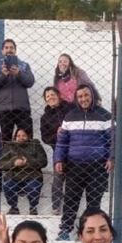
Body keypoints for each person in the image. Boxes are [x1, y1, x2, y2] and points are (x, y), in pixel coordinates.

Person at [54, 85, 114, 241]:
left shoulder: (105, 116)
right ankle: (65, 230)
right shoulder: (70, 116)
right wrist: (59, 159)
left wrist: (111, 157)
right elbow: (62, 142)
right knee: (71, 199)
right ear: (76, 98)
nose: (83, 99)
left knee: (94, 202)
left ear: (92, 96)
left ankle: (90, 232)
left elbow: (114, 141)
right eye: (80, 96)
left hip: (98, 167)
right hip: (75, 166)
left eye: (86, 95)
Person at [0, 38, 35, 141]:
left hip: (22, 109)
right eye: (6, 48)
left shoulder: (24, 66)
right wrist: (3, 75)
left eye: (11, 47)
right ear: (2, 51)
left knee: (27, 139)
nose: (9, 50)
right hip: (4, 109)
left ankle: (27, 158)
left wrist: (18, 73)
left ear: (15, 50)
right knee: (6, 141)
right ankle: (9, 157)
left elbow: (30, 82)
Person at [40, 86, 73, 215]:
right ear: (45, 100)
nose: (50, 98)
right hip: (58, 150)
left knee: (73, 179)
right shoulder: (45, 117)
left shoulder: (70, 109)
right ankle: (56, 207)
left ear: (58, 95)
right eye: (47, 96)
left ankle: (70, 206)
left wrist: (66, 131)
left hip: (74, 147)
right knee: (58, 179)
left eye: (52, 95)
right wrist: (57, 134)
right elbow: (45, 137)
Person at [0, 128, 47, 215]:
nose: (21, 138)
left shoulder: (35, 144)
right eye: (18, 136)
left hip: (32, 176)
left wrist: (27, 162)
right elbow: (1, 164)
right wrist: (14, 163)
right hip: (13, 176)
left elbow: (43, 161)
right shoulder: (9, 146)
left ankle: (33, 207)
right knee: (8, 185)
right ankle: (14, 208)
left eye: (23, 135)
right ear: (15, 138)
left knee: (33, 187)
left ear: (28, 137)